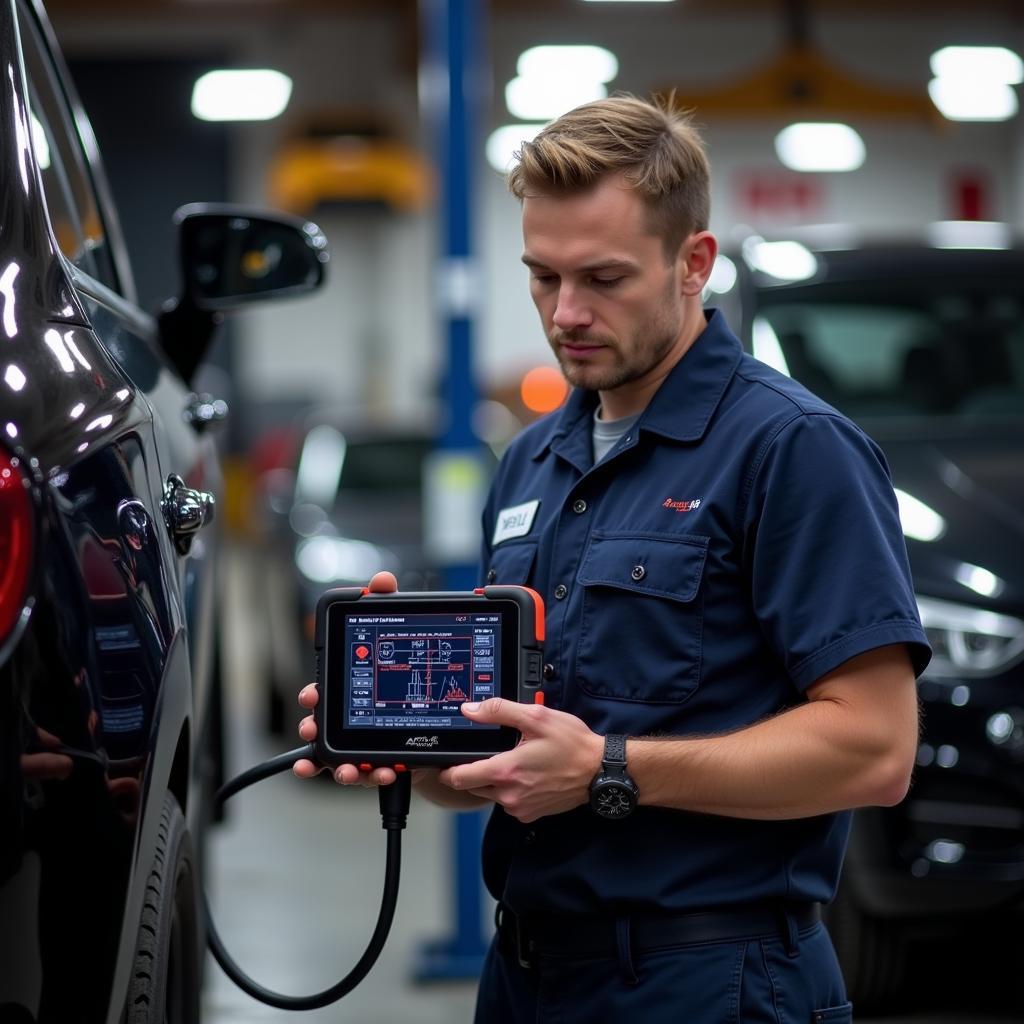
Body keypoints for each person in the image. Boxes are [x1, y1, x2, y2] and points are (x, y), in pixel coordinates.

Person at [295, 94, 930, 1023]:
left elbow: (875, 749)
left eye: (603, 277)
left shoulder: (791, 449)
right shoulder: (529, 462)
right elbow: (516, 761)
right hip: (526, 976)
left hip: (711, 982)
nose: (567, 313)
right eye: (542, 277)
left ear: (693, 264)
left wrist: (608, 768)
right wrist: (416, 744)